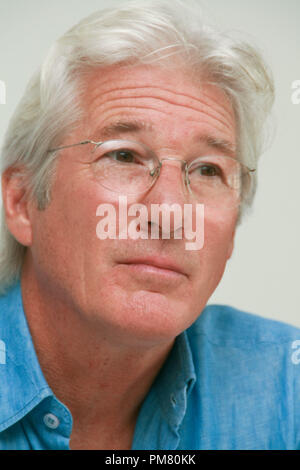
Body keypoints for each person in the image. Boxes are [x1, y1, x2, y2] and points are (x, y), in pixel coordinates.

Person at [0, 0, 299, 451]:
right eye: (123, 156)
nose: (172, 212)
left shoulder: (285, 387)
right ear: (22, 201)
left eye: (207, 170)